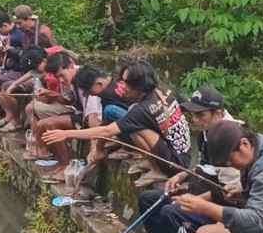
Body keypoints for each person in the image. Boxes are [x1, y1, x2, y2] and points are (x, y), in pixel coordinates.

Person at [43, 60, 191, 187]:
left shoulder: (141, 110)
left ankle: (159, 170)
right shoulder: (164, 89)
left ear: (139, 85)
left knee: (135, 128)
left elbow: (106, 131)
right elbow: (185, 106)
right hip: (183, 153)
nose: (122, 86)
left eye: (127, 83)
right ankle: (152, 161)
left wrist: (66, 133)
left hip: (175, 164)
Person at [139, 86, 241, 233]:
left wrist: (195, 201)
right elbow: (204, 166)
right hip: (198, 192)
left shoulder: (231, 138)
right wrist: (182, 175)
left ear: (217, 114)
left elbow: (226, 192)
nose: (194, 119)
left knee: (171, 212)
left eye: (200, 115)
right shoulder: (206, 134)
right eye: (192, 114)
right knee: (148, 199)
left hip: (219, 204)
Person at [173, 121, 263, 233]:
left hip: (261, 227)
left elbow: (255, 221)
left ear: (245, 144)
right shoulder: (258, 147)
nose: (228, 164)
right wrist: (243, 193)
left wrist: (205, 208)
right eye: (224, 163)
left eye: (229, 158)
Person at [33, 51, 104, 181]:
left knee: (49, 124)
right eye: (57, 77)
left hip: (95, 119)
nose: (61, 80)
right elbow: (68, 100)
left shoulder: (85, 80)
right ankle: (62, 163)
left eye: (62, 75)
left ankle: (66, 165)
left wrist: (94, 147)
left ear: (71, 65)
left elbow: (93, 116)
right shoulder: (67, 79)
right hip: (81, 115)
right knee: (42, 124)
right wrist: (50, 94)